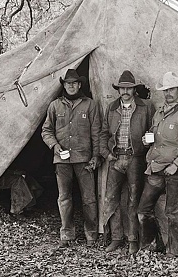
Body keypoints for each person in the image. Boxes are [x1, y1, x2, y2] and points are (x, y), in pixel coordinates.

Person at [137, 72, 178, 257]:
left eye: (171, 89)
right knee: (143, 210)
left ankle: (177, 251)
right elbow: (153, 136)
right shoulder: (158, 113)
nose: (168, 93)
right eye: (165, 90)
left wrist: (176, 165)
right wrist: (147, 141)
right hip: (155, 168)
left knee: (171, 213)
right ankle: (154, 244)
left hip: (174, 171)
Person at [42, 69, 101, 248]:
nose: (71, 86)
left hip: (84, 159)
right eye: (68, 83)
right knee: (64, 198)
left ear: (80, 84)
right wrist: (55, 146)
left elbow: (96, 132)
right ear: (64, 85)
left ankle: (91, 234)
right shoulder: (55, 106)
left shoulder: (89, 105)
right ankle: (67, 234)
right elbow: (46, 131)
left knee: (89, 198)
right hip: (62, 160)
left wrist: (96, 156)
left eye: (74, 83)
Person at [99, 70, 155, 254]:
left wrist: (147, 150)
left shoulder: (145, 108)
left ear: (134, 90)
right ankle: (116, 238)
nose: (125, 91)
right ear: (118, 90)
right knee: (112, 198)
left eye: (129, 88)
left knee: (133, 199)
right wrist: (106, 154)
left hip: (135, 158)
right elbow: (103, 133)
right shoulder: (112, 107)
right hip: (115, 157)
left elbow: (153, 132)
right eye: (122, 88)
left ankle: (132, 239)